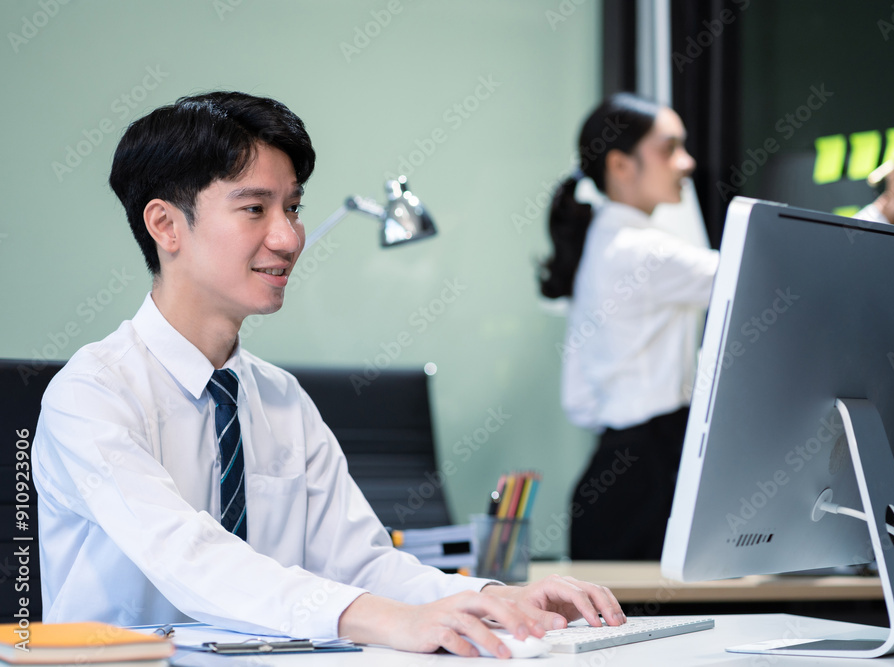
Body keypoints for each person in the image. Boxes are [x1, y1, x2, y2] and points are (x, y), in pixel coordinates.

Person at [32, 91, 624, 660]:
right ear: (165, 225)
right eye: (254, 209)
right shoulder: (93, 395)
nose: (289, 238)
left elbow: (362, 564)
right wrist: (392, 620)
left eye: (292, 207)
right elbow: (191, 558)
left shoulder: (280, 398)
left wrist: (494, 600)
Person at [538, 92, 894, 560]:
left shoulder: (614, 244)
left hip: (627, 473)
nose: (687, 162)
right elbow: (778, 276)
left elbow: (582, 398)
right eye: (669, 148)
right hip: (640, 482)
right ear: (621, 165)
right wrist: (889, 205)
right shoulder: (636, 251)